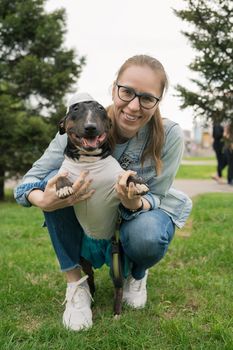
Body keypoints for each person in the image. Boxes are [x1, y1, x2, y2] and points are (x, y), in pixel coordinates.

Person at [14, 54, 192, 331]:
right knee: (55, 179)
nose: (134, 106)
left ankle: (137, 273)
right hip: (88, 213)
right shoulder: (78, 126)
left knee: (147, 235)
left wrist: (134, 202)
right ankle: (76, 285)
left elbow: (157, 194)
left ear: (158, 101)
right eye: (127, 92)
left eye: (146, 98)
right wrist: (43, 200)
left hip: (138, 213)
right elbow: (30, 181)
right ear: (114, 88)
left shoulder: (169, 134)